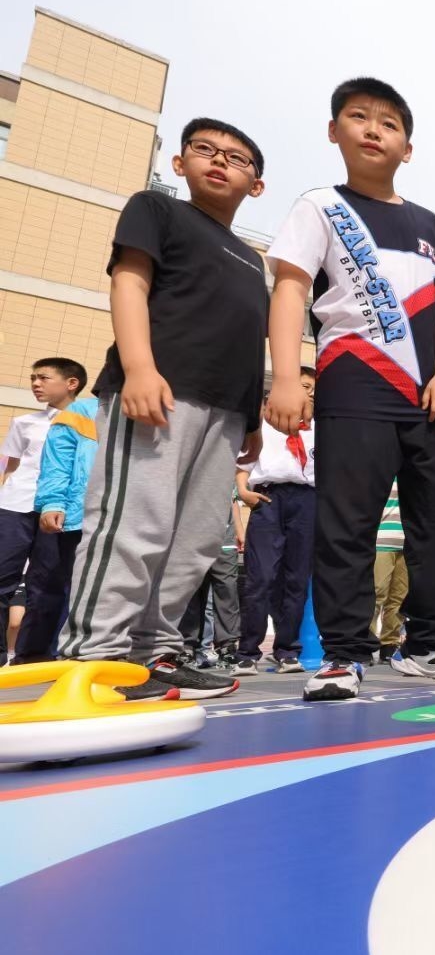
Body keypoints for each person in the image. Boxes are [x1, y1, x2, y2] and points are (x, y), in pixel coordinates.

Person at [265, 77, 435, 701]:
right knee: (347, 525)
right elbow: (289, 289)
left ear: (407, 147)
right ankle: (343, 655)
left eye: (388, 124)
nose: (372, 130)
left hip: (430, 396)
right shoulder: (319, 206)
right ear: (334, 131)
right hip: (353, 387)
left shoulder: (431, 224)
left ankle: (430, 644)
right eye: (357, 118)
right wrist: (284, 377)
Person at [60, 117, 271, 701]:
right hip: (159, 391)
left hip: (226, 412)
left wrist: (251, 416)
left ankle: (154, 653)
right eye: (204, 150)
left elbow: (246, 336)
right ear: (180, 165)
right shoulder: (156, 209)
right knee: (135, 523)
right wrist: (139, 368)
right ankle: (94, 655)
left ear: (256, 185)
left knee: (197, 539)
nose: (220, 160)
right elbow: (129, 283)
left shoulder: (255, 261)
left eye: (237, 157)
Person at [235, 368, 317, 675]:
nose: (309, 393)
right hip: (269, 499)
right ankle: (247, 652)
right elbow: (245, 458)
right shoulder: (263, 418)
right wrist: (244, 491)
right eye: (305, 386)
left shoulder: (315, 426)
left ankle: (287, 650)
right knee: (261, 577)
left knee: (296, 579)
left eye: (312, 389)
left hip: (307, 500)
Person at [0, 358, 87, 630]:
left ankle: (35, 656)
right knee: (3, 577)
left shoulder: (91, 423)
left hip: (61, 512)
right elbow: (8, 464)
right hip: (15, 507)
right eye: (32, 378)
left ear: (72, 383)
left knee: (49, 583)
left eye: (43, 378)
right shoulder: (24, 422)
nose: (35, 384)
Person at [11, 390, 97, 662]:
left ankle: (79, 656)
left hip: (120, 518)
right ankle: (33, 656)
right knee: (48, 586)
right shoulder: (82, 411)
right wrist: (52, 503)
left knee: (97, 592)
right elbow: (57, 462)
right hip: (73, 516)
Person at [178, 507, 243, 670]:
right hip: (191, 535)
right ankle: (188, 647)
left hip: (224, 536)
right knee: (191, 591)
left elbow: (233, 500)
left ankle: (227, 647)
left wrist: (240, 530)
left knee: (227, 590)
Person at [372, 481, 407, 661]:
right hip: (380, 540)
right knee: (377, 593)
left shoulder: (414, 471)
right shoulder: (381, 469)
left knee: (399, 598)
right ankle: (367, 641)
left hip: (408, 542)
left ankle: (389, 643)